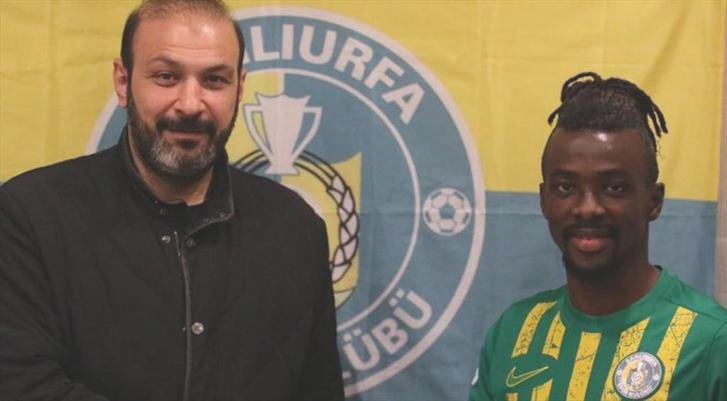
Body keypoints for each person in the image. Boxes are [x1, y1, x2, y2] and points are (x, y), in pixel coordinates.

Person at [0, 1, 344, 400]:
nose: (190, 104)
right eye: (166, 77)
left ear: (240, 88)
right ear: (123, 82)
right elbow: (20, 384)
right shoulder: (30, 216)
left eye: (214, 80)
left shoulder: (295, 227)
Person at [468, 72, 727, 401]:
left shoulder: (710, 341)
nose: (587, 208)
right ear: (544, 200)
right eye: (566, 187)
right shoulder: (513, 332)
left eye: (614, 188)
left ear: (654, 201)